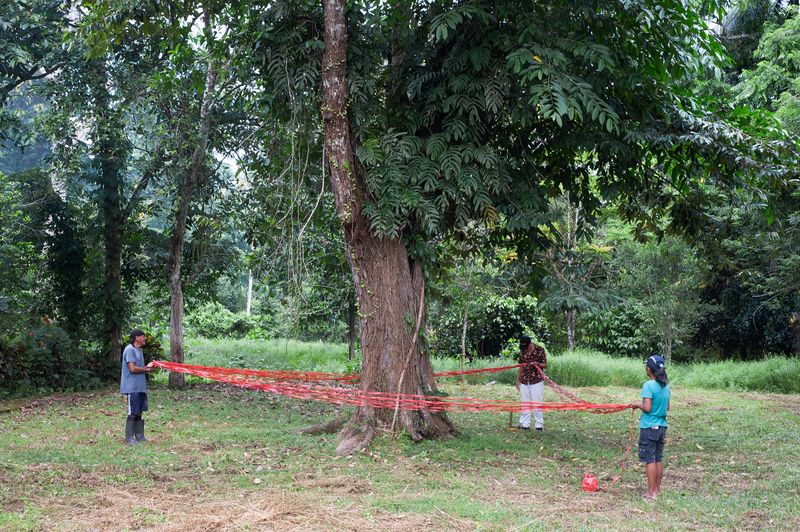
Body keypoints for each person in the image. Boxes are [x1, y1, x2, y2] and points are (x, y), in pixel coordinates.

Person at [630, 354, 670, 500]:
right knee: (658, 458)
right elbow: (667, 407)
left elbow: (647, 407)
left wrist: (636, 405)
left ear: (649, 369)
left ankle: (651, 492)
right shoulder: (666, 385)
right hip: (662, 426)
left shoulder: (648, 386)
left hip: (649, 426)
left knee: (650, 459)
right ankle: (657, 490)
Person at [120, 329, 153, 445]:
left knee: (140, 411)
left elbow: (140, 367)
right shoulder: (129, 350)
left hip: (140, 387)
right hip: (132, 387)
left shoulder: (139, 350)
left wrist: (147, 367)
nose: (144, 339)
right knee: (133, 412)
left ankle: (139, 435)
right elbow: (132, 369)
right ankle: (129, 438)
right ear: (136, 338)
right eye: (143, 336)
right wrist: (145, 369)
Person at [515, 335, 547, 431]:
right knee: (525, 402)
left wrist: (537, 364)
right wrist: (517, 380)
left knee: (536, 402)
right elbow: (521, 366)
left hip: (536, 380)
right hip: (524, 380)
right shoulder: (522, 351)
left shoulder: (540, 350)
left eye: (525, 346)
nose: (524, 349)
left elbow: (545, 364)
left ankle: (539, 425)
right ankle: (525, 424)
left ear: (530, 344)